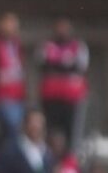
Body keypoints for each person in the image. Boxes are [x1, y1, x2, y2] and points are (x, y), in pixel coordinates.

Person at [38, 17, 89, 150]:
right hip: (51, 96)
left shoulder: (78, 46)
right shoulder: (47, 46)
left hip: (72, 97)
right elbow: (43, 65)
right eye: (59, 28)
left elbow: (80, 67)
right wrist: (65, 64)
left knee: (72, 132)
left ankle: (71, 158)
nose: (62, 31)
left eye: (65, 28)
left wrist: (58, 65)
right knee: (51, 131)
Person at [0, 11, 26, 142]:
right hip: (2, 96)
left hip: (18, 95)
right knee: (9, 128)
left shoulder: (17, 44)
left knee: (17, 131)